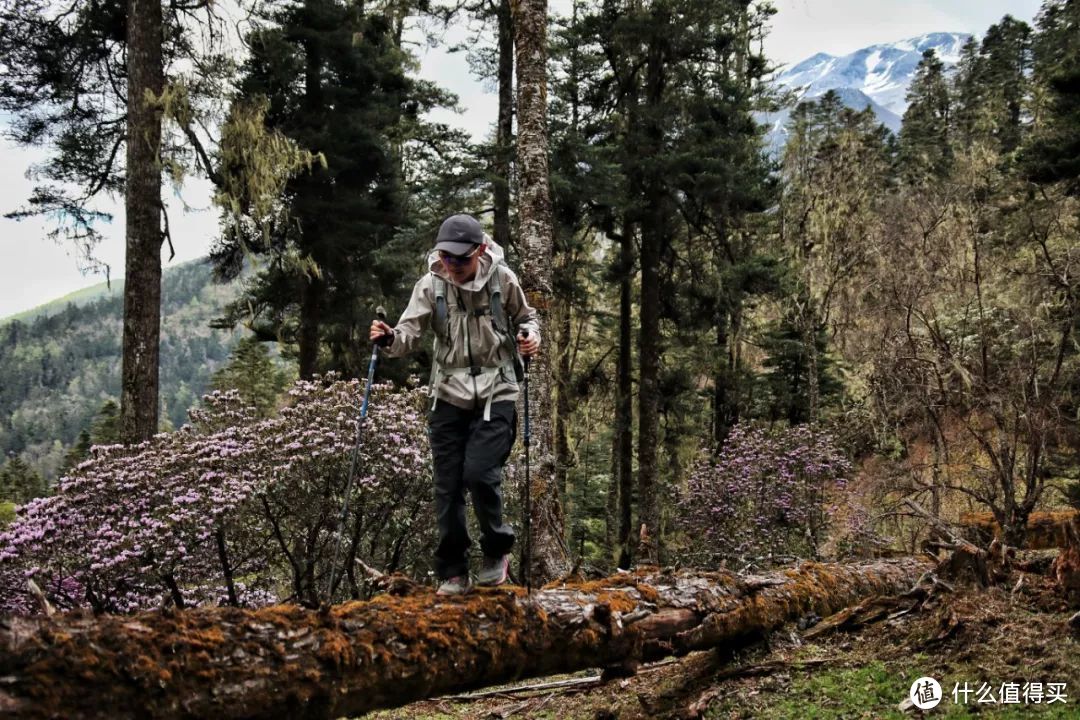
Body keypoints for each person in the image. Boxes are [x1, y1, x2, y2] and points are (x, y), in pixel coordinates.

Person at [370, 214, 540, 595]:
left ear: (479, 251)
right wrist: (387, 339)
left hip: (498, 389)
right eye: (446, 257)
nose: (452, 265)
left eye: (460, 259)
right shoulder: (431, 286)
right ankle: (452, 571)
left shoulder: (502, 279)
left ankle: (497, 552)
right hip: (447, 392)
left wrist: (531, 337)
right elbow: (408, 334)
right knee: (446, 485)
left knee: (479, 474)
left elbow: (527, 318)